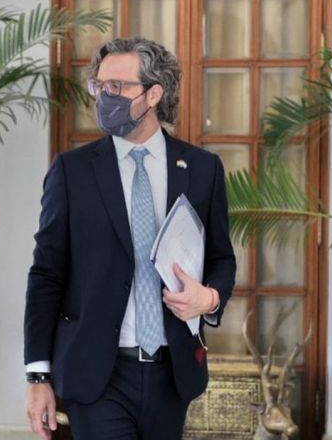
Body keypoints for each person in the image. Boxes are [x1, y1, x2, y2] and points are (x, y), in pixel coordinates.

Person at [24, 37, 236, 440]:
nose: (106, 96)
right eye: (100, 86)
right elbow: (46, 275)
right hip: (97, 374)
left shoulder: (202, 169)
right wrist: (37, 376)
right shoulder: (72, 171)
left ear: (154, 93)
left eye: (119, 87)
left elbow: (222, 259)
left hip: (173, 372)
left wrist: (208, 299)